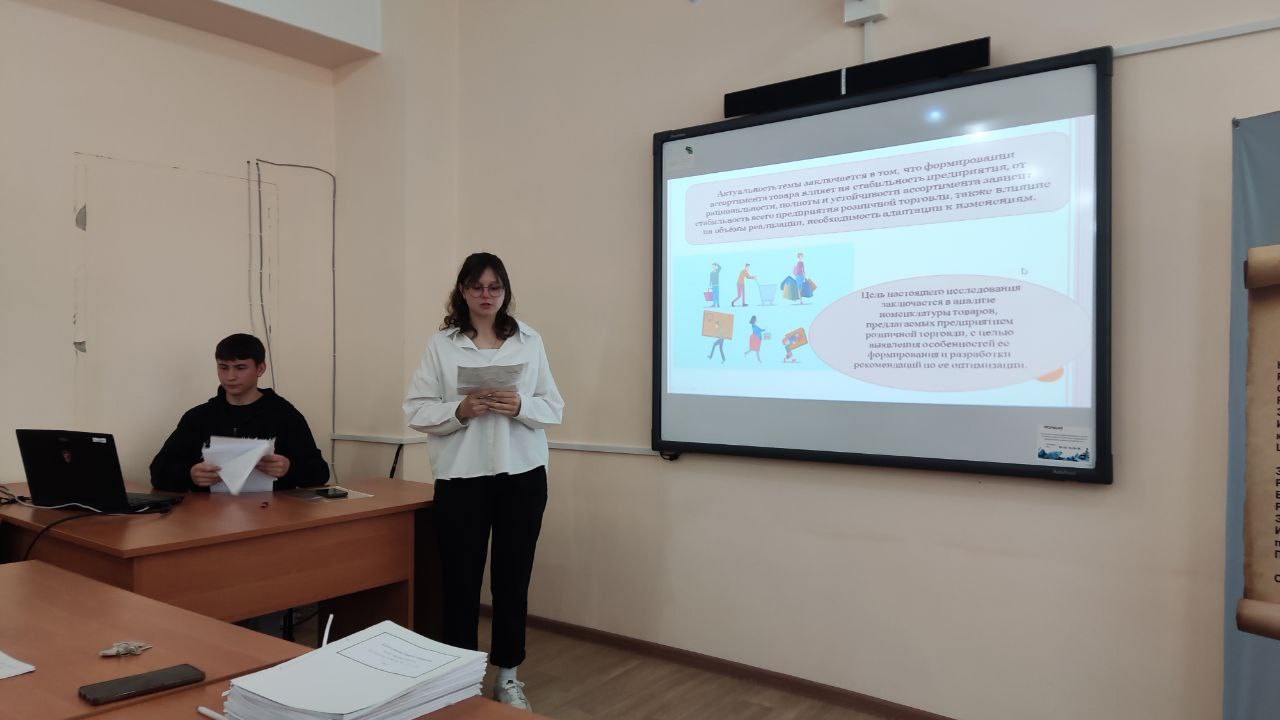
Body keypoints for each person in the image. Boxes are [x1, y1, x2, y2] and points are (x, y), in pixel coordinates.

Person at [404, 252, 564, 712]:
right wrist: (459, 410)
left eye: (495, 287)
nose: (486, 295)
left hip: (522, 477)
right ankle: (459, 680)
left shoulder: (529, 341)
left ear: (505, 291)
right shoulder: (442, 344)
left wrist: (521, 406)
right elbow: (416, 409)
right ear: (463, 291)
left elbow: (553, 407)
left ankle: (508, 676)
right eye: (477, 287)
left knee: (513, 581)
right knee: (459, 582)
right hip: (462, 477)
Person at [150, 333, 329, 492]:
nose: (230, 376)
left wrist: (289, 467)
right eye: (223, 367)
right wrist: (190, 474)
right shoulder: (198, 417)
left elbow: (320, 472)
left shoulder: (285, 415)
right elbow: (158, 470)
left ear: (260, 368)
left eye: (240, 368)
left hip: (270, 512)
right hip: (209, 513)